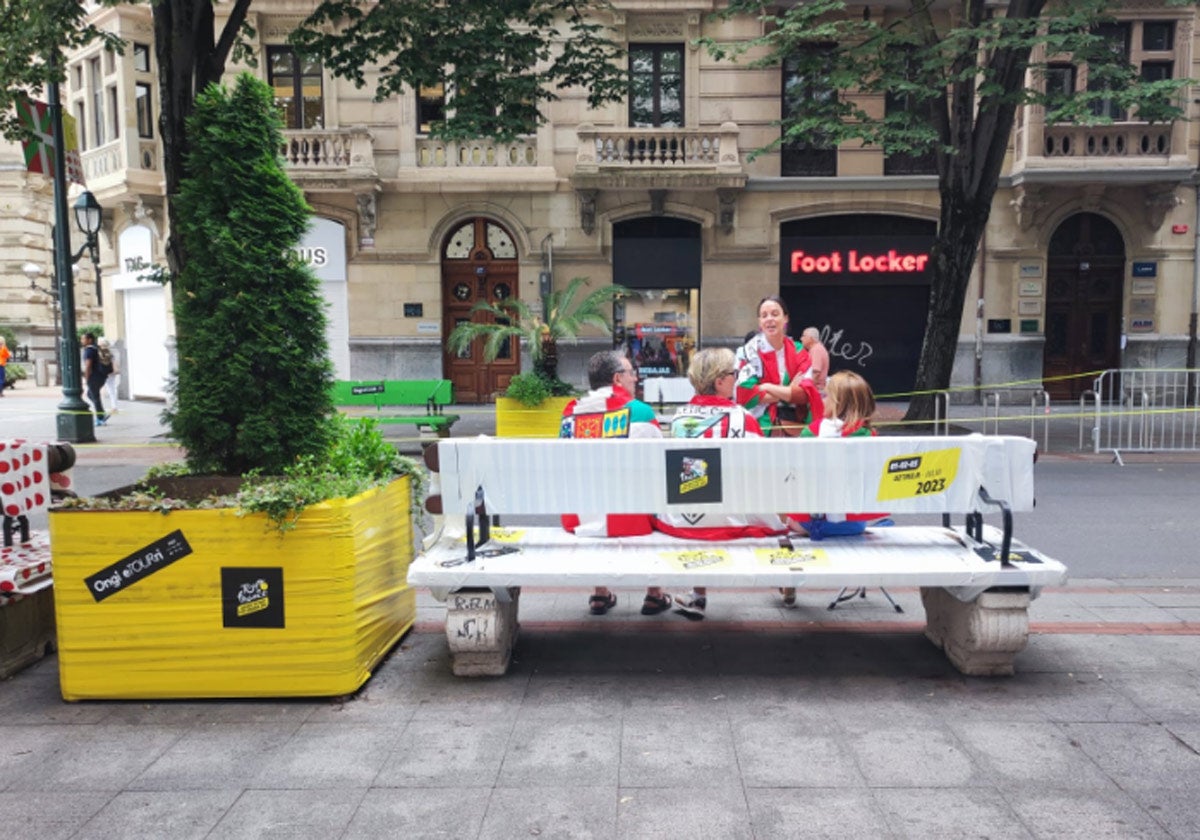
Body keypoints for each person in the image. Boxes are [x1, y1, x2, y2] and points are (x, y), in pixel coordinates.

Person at [658, 347, 789, 619]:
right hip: (730, 520)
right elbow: (763, 473)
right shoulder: (744, 419)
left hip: (684, 522)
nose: (737, 379)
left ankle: (698, 595)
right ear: (719, 382)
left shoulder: (680, 417)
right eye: (734, 374)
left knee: (702, 495)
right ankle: (786, 576)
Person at [560, 350, 672, 617]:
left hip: (581, 518)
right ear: (617, 378)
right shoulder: (641, 411)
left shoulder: (570, 412)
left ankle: (600, 594)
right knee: (652, 497)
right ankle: (654, 594)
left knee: (593, 496)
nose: (635, 378)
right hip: (632, 519)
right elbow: (660, 467)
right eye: (631, 373)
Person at [781, 370, 890, 605]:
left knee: (783, 510)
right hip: (854, 524)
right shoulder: (871, 437)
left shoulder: (813, 432)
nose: (822, 400)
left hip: (809, 525)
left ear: (836, 402)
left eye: (826, 396)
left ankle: (788, 583)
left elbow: (794, 478)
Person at [735, 296, 823, 436]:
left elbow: (805, 395)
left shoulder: (799, 351)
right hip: (757, 427)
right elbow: (744, 394)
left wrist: (766, 387)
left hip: (794, 425)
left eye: (775, 314)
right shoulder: (749, 352)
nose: (769, 319)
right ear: (760, 322)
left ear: (785, 318)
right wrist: (789, 391)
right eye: (764, 316)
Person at [81, 332, 108, 426]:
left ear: (90, 340)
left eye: (83, 339)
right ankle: (101, 412)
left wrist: (86, 377)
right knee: (90, 394)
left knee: (95, 396)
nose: (82, 341)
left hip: (94, 377)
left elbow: (88, 365)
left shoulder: (89, 350)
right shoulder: (96, 348)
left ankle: (100, 418)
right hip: (101, 376)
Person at [799, 327, 829, 392]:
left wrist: (807, 389)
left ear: (811, 339)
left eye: (803, 336)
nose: (801, 339)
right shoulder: (816, 348)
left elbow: (816, 372)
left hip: (815, 389)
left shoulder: (816, 350)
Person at [98, 337, 120, 414]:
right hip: (111, 372)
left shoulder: (99, 352)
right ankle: (114, 407)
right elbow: (114, 362)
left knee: (97, 389)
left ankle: (99, 407)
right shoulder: (110, 352)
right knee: (112, 389)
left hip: (102, 373)